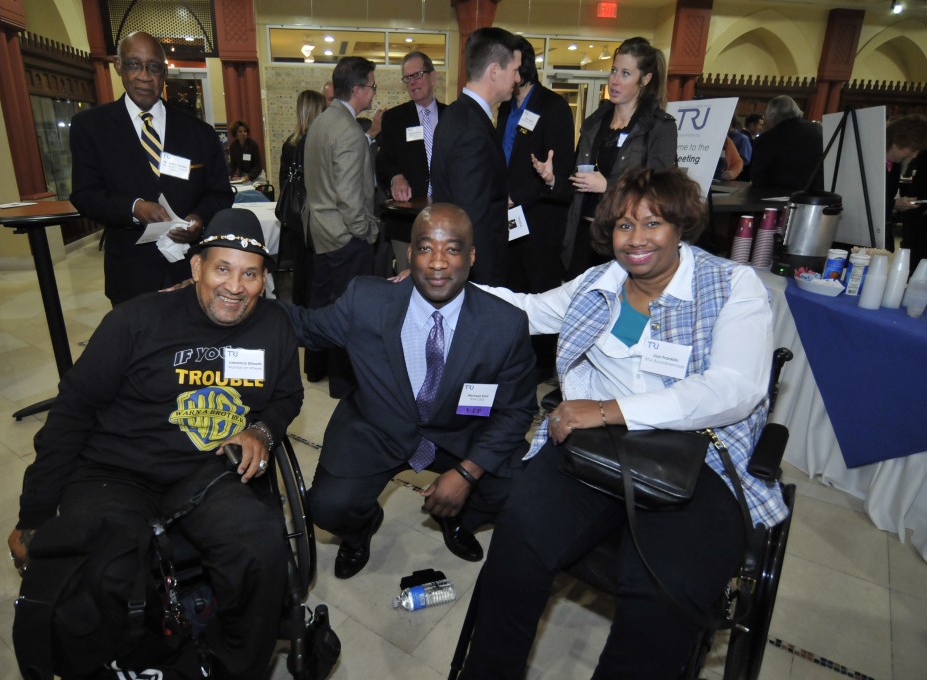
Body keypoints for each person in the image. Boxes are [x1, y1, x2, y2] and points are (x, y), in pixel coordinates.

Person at [457, 167, 787, 680]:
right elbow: (529, 310)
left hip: (694, 459)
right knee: (518, 538)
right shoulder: (601, 283)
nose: (636, 240)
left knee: (662, 589)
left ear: (681, 225)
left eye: (653, 223)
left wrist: (612, 410)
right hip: (596, 447)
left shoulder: (732, 285)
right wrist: (451, 284)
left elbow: (734, 390)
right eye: (623, 226)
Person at [7, 208, 304, 679]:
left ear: (264, 278)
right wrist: (34, 515)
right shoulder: (136, 320)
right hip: (116, 470)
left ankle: (233, 668)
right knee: (99, 568)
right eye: (221, 269)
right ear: (196, 269)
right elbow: (72, 413)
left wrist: (262, 431)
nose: (234, 286)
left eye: (250, 273)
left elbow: (288, 395)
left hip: (209, 472)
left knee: (259, 547)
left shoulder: (275, 328)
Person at [282, 203, 536, 579]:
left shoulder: (505, 324)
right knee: (328, 507)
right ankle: (361, 529)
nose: (437, 263)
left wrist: (467, 474)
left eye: (451, 249)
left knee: (522, 489)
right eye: (424, 248)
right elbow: (304, 326)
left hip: (460, 432)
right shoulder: (366, 301)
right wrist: (235, 295)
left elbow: (517, 411)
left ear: (471, 255)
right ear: (409, 253)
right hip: (377, 426)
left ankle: (458, 518)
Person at [70, 31, 233, 306]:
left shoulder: (198, 132)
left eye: (154, 67)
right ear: (118, 66)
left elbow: (220, 192)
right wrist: (134, 208)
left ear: (164, 73)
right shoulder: (91, 127)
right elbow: (85, 195)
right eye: (134, 64)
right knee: (139, 345)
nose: (144, 76)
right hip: (130, 271)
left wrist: (199, 219)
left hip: (190, 266)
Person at [563, 36, 677, 279]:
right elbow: (577, 178)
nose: (614, 80)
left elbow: (661, 190)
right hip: (584, 234)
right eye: (614, 70)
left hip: (628, 239)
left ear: (644, 80)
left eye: (625, 73)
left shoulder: (659, 127)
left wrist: (608, 187)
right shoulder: (596, 121)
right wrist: (554, 178)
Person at [303, 56, 381, 398]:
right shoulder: (349, 131)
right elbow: (351, 200)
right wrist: (368, 231)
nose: (374, 94)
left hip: (320, 230)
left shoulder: (322, 120)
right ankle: (345, 385)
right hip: (343, 236)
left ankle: (323, 373)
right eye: (373, 87)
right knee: (348, 313)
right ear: (359, 89)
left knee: (327, 306)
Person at [498, 37, 574, 381]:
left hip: (539, 216)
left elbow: (560, 171)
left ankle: (543, 365)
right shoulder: (504, 107)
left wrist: (518, 196)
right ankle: (516, 358)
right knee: (512, 286)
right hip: (508, 215)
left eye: (511, 63)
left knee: (540, 289)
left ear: (524, 64)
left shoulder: (553, 106)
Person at [431, 27, 522, 286]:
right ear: (495, 71)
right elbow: (473, 218)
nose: (517, 79)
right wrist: (485, 284)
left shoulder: (458, 114)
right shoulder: (472, 128)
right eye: (514, 70)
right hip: (477, 272)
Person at [376, 51, 448, 271]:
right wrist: (395, 177)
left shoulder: (453, 116)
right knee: (407, 279)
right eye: (407, 78)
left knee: (441, 275)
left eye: (417, 75)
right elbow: (384, 160)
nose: (412, 82)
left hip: (444, 216)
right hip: (406, 219)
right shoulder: (394, 119)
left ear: (433, 77)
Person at [278, 90, 325, 311]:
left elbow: (283, 181)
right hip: (314, 217)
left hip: (294, 216)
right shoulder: (316, 143)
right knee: (315, 271)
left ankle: (299, 313)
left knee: (300, 268)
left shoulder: (290, 142)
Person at [749, 95, 824, 194]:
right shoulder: (818, 131)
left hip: (777, 197)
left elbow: (758, 177)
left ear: (771, 115)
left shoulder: (768, 138)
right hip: (816, 195)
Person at [884, 114, 927, 251]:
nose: (914, 156)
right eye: (913, 150)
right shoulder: (871, 160)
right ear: (897, 142)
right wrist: (895, 204)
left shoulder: (895, 164)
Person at [728, 116, 753, 181]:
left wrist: (734, 170)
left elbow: (745, 161)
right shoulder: (720, 137)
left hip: (737, 177)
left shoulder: (743, 139)